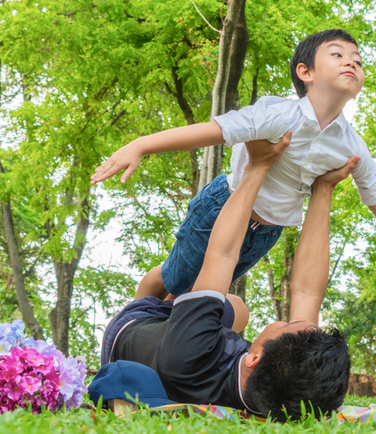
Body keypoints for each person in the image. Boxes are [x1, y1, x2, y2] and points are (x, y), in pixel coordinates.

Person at [90, 29, 376, 316]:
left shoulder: (351, 145)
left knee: (199, 295)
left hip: (267, 232)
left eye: (358, 59)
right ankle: (131, 320)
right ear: (305, 72)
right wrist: (142, 145)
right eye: (338, 54)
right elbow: (215, 131)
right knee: (174, 277)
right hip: (223, 208)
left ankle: (164, 345)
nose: (352, 61)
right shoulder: (277, 114)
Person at [100, 135, 354, 421]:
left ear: (255, 358)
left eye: (286, 324)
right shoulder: (279, 395)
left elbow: (221, 255)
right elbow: (308, 293)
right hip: (187, 345)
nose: (291, 320)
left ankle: (171, 296)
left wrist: (257, 167)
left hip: (132, 327)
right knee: (239, 309)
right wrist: (323, 189)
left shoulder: (190, 355)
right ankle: (186, 306)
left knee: (174, 282)